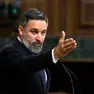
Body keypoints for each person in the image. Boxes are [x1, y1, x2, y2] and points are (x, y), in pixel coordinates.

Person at [0, 8, 77, 94]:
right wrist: (55, 54)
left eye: (43, 32)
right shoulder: (9, 52)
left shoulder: (36, 53)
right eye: (34, 32)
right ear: (21, 30)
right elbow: (26, 66)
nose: (39, 38)